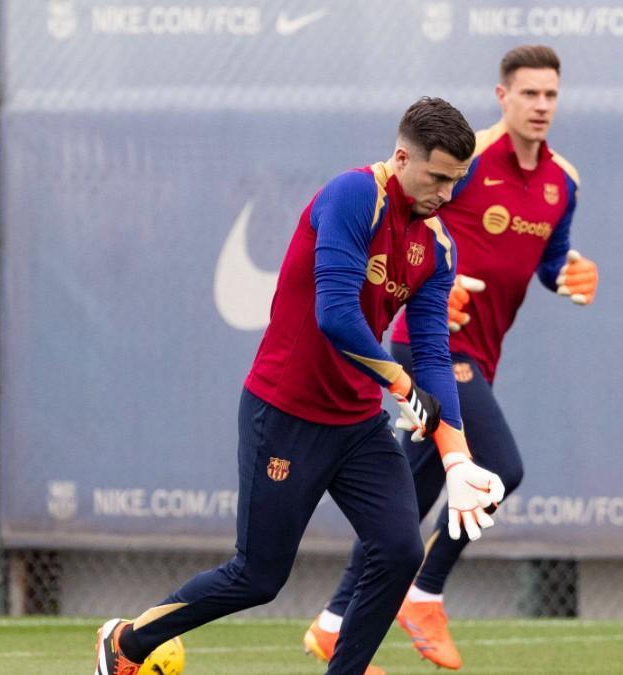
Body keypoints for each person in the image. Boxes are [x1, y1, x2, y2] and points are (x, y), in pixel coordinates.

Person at [93, 97, 506, 675]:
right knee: (257, 576)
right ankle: (127, 644)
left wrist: (457, 459)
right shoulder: (353, 196)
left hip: (358, 426)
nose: (445, 193)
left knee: (400, 550)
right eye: (436, 177)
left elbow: (434, 350)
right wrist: (400, 382)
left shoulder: (436, 246)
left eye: (456, 181)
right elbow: (334, 313)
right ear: (401, 155)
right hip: (284, 413)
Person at [303, 45, 600, 670]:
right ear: (503, 96)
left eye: (551, 94)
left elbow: (551, 261)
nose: (541, 106)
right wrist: (436, 285)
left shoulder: (562, 182)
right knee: (497, 466)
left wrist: (568, 276)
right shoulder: (466, 165)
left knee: (406, 501)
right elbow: (411, 226)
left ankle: (333, 623)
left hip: (482, 353)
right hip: (432, 344)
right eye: (529, 94)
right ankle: (424, 593)